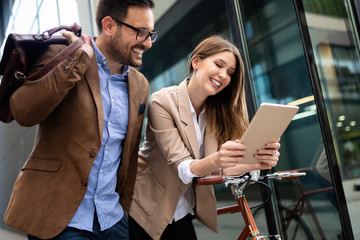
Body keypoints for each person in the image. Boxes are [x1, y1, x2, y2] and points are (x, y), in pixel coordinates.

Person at [4, 0, 157, 239]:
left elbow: (129, 152)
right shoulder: (63, 54)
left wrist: (124, 207)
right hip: (60, 219)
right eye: (140, 32)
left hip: (112, 219)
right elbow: (23, 112)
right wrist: (78, 59)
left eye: (151, 34)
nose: (147, 42)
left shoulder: (140, 85)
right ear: (109, 25)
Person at [128, 35, 281, 240]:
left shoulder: (215, 113)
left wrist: (256, 163)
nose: (223, 75)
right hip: (143, 210)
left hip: (181, 212)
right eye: (218, 64)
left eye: (230, 73)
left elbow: (219, 168)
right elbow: (183, 167)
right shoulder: (162, 101)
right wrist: (219, 157)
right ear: (196, 61)